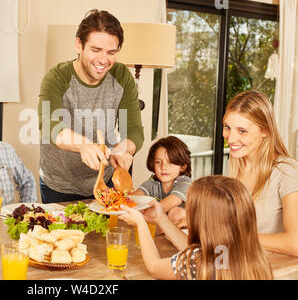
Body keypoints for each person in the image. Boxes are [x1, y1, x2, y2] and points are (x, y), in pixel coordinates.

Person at [38, 9, 144, 203]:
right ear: (79, 45)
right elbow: (50, 126)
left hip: (106, 180)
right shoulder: (56, 77)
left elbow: (135, 130)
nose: (104, 60)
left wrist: (124, 148)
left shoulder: (122, 77)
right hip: (60, 184)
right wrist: (83, 145)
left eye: (111, 52)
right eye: (96, 50)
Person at [119, 175, 273, 280]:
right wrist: (161, 218)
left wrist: (140, 223)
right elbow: (197, 251)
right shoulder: (253, 254)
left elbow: (154, 267)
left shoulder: (198, 262)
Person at [223, 90, 298, 256]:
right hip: (239, 262)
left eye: (242, 131)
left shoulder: (287, 171)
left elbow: (295, 243)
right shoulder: (234, 164)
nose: (231, 138)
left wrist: (238, 237)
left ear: (265, 131)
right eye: (227, 127)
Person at [132, 136, 192, 229]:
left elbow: (163, 206)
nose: (163, 167)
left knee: (175, 213)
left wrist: (141, 214)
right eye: (158, 162)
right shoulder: (153, 183)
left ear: (183, 166)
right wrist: (128, 199)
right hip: (164, 230)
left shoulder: (185, 183)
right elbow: (133, 199)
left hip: (187, 234)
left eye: (170, 162)